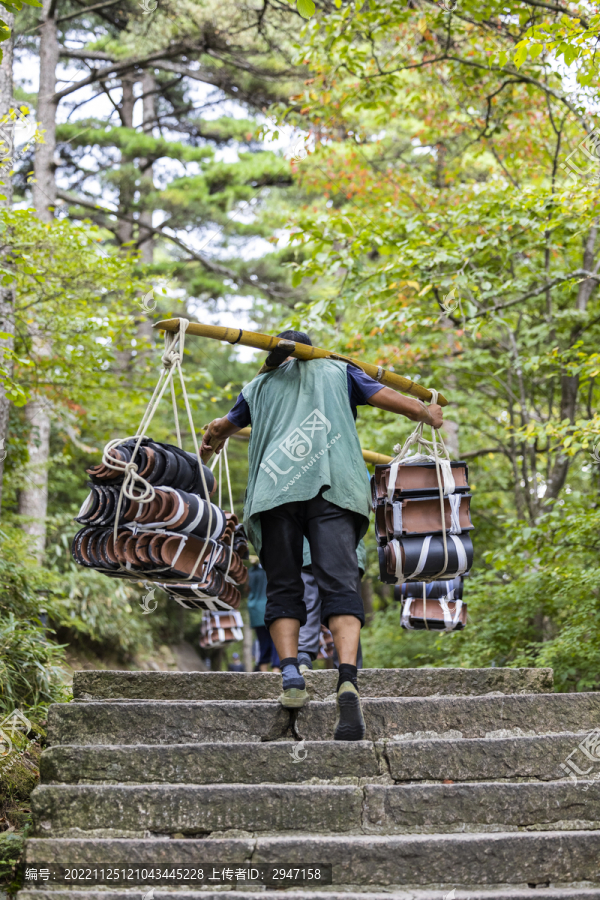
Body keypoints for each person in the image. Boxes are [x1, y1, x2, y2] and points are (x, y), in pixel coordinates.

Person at [200, 330, 443, 741]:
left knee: (283, 586)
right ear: (311, 352)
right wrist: (426, 413)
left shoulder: (256, 386)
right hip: (331, 488)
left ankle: (292, 673)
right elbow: (391, 400)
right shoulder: (338, 369)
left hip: (274, 492)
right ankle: (347, 678)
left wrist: (213, 439)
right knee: (338, 583)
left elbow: (223, 426)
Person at [298, 538, 367, 672]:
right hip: (347, 550)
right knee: (346, 607)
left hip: (307, 550)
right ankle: (350, 671)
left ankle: (302, 660)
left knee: (308, 607)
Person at [247, 559, 280, 672]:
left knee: (263, 643)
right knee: (277, 641)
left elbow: (248, 588)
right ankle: (276, 671)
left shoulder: (252, 571)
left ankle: (264, 672)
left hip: (256, 610)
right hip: (273, 607)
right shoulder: (275, 568)